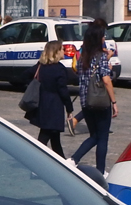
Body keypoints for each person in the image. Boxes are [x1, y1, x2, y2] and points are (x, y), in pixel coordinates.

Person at [71, 23, 118, 173]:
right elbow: (106, 80)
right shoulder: (101, 56)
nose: (104, 38)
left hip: (86, 101)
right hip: (100, 101)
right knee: (102, 138)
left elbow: (82, 75)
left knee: (95, 136)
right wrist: (114, 102)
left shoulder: (82, 58)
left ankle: (73, 160)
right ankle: (100, 171)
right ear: (98, 39)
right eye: (103, 36)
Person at [25, 41, 73, 158]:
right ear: (56, 52)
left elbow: (24, 75)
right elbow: (63, 91)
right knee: (44, 137)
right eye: (62, 49)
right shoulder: (59, 69)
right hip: (54, 106)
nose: (64, 51)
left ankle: (62, 163)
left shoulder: (40, 66)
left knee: (54, 136)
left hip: (42, 104)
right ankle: (35, 164)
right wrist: (69, 108)